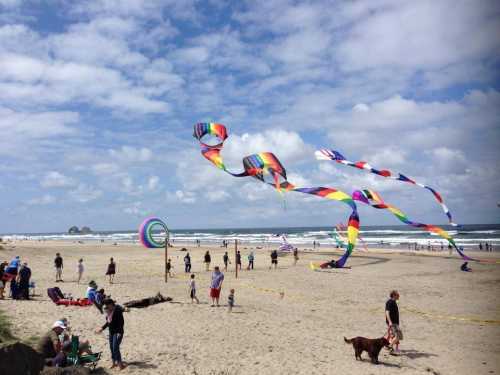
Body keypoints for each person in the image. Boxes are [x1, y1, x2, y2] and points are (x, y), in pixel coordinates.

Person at [96, 299, 126, 370]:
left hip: (118, 332)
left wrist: (119, 332)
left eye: (107, 305)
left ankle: (120, 364)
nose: (106, 307)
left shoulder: (117, 311)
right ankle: (113, 363)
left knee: (115, 347)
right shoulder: (108, 312)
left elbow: (121, 322)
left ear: (111, 305)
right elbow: (108, 323)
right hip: (111, 332)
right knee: (111, 348)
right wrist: (102, 328)